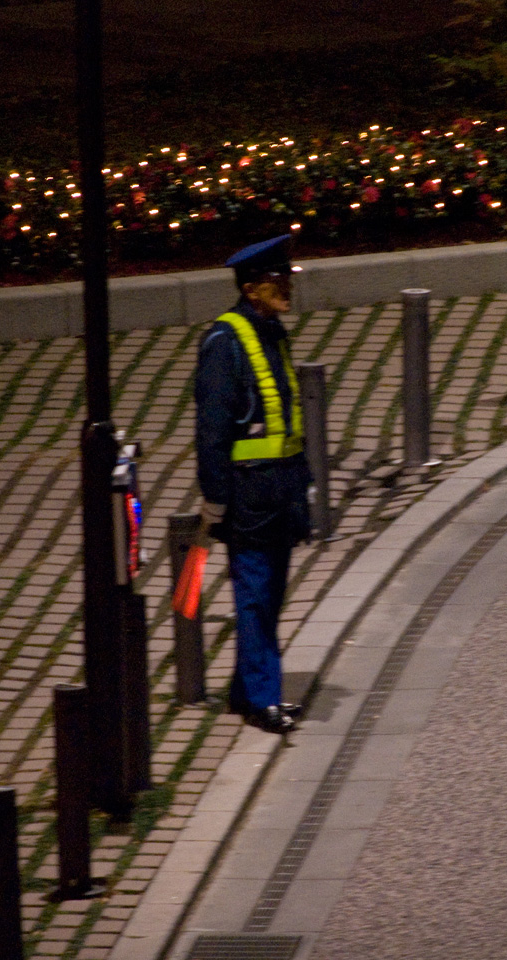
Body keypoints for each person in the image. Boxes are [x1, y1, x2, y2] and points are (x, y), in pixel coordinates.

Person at [195, 235, 312, 735]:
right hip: (248, 497)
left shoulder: (273, 332)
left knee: (269, 596)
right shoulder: (225, 344)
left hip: (279, 494)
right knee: (255, 596)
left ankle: (246, 690)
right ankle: (264, 698)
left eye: (287, 277)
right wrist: (216, 501)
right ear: (250, 288)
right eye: (276, 280)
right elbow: (213, 432)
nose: (286, 286)